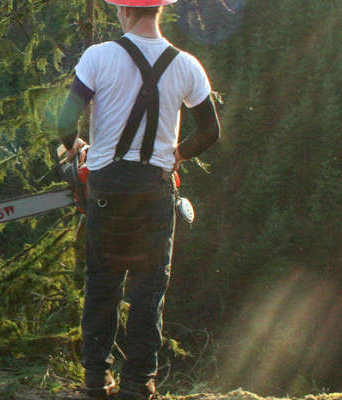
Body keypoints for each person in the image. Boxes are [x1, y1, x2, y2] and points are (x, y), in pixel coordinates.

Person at [54, 1, 221, 398]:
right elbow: (210, 131)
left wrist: (77, 146)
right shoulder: (187, 65)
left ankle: (96, 379)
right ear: (159, 10)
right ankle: (139, 382)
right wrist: (177, 154)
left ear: (124, 11)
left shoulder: (99, 57)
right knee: (149, 289)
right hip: (155, 188)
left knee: (102, 282)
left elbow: (63, 123)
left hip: (107, 187)